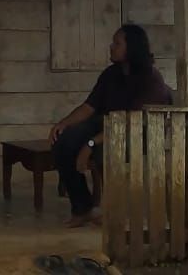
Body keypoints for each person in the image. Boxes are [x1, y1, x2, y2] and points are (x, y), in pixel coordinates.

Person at [48, 24, 172, 227]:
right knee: (63, 142)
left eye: (117, 43)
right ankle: (83, 209)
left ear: (131, 47)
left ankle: (115, 213)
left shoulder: (150, 78)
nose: (111, 46)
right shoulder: (111, 74)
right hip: (108, 125)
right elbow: (89, 107)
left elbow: (132, 122)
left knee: (102, 151)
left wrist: (89, 144)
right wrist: (62, 124)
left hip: (139, 133)